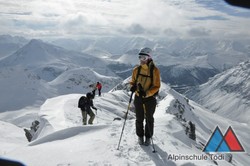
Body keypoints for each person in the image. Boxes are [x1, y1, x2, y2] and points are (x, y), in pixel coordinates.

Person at [130, 47, 161, 146]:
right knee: (139, 118)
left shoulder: (154, 70)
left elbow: (156, 86)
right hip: (138, 97)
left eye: (143, 57)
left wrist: (147, 93)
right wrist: (132, 87)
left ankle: (148, 137)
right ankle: (140, 136)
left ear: (149, 58)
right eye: (140, 57)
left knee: (149, 119)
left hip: (149, 99)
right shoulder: (136, 70)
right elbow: (132, 81)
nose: (141, 60)